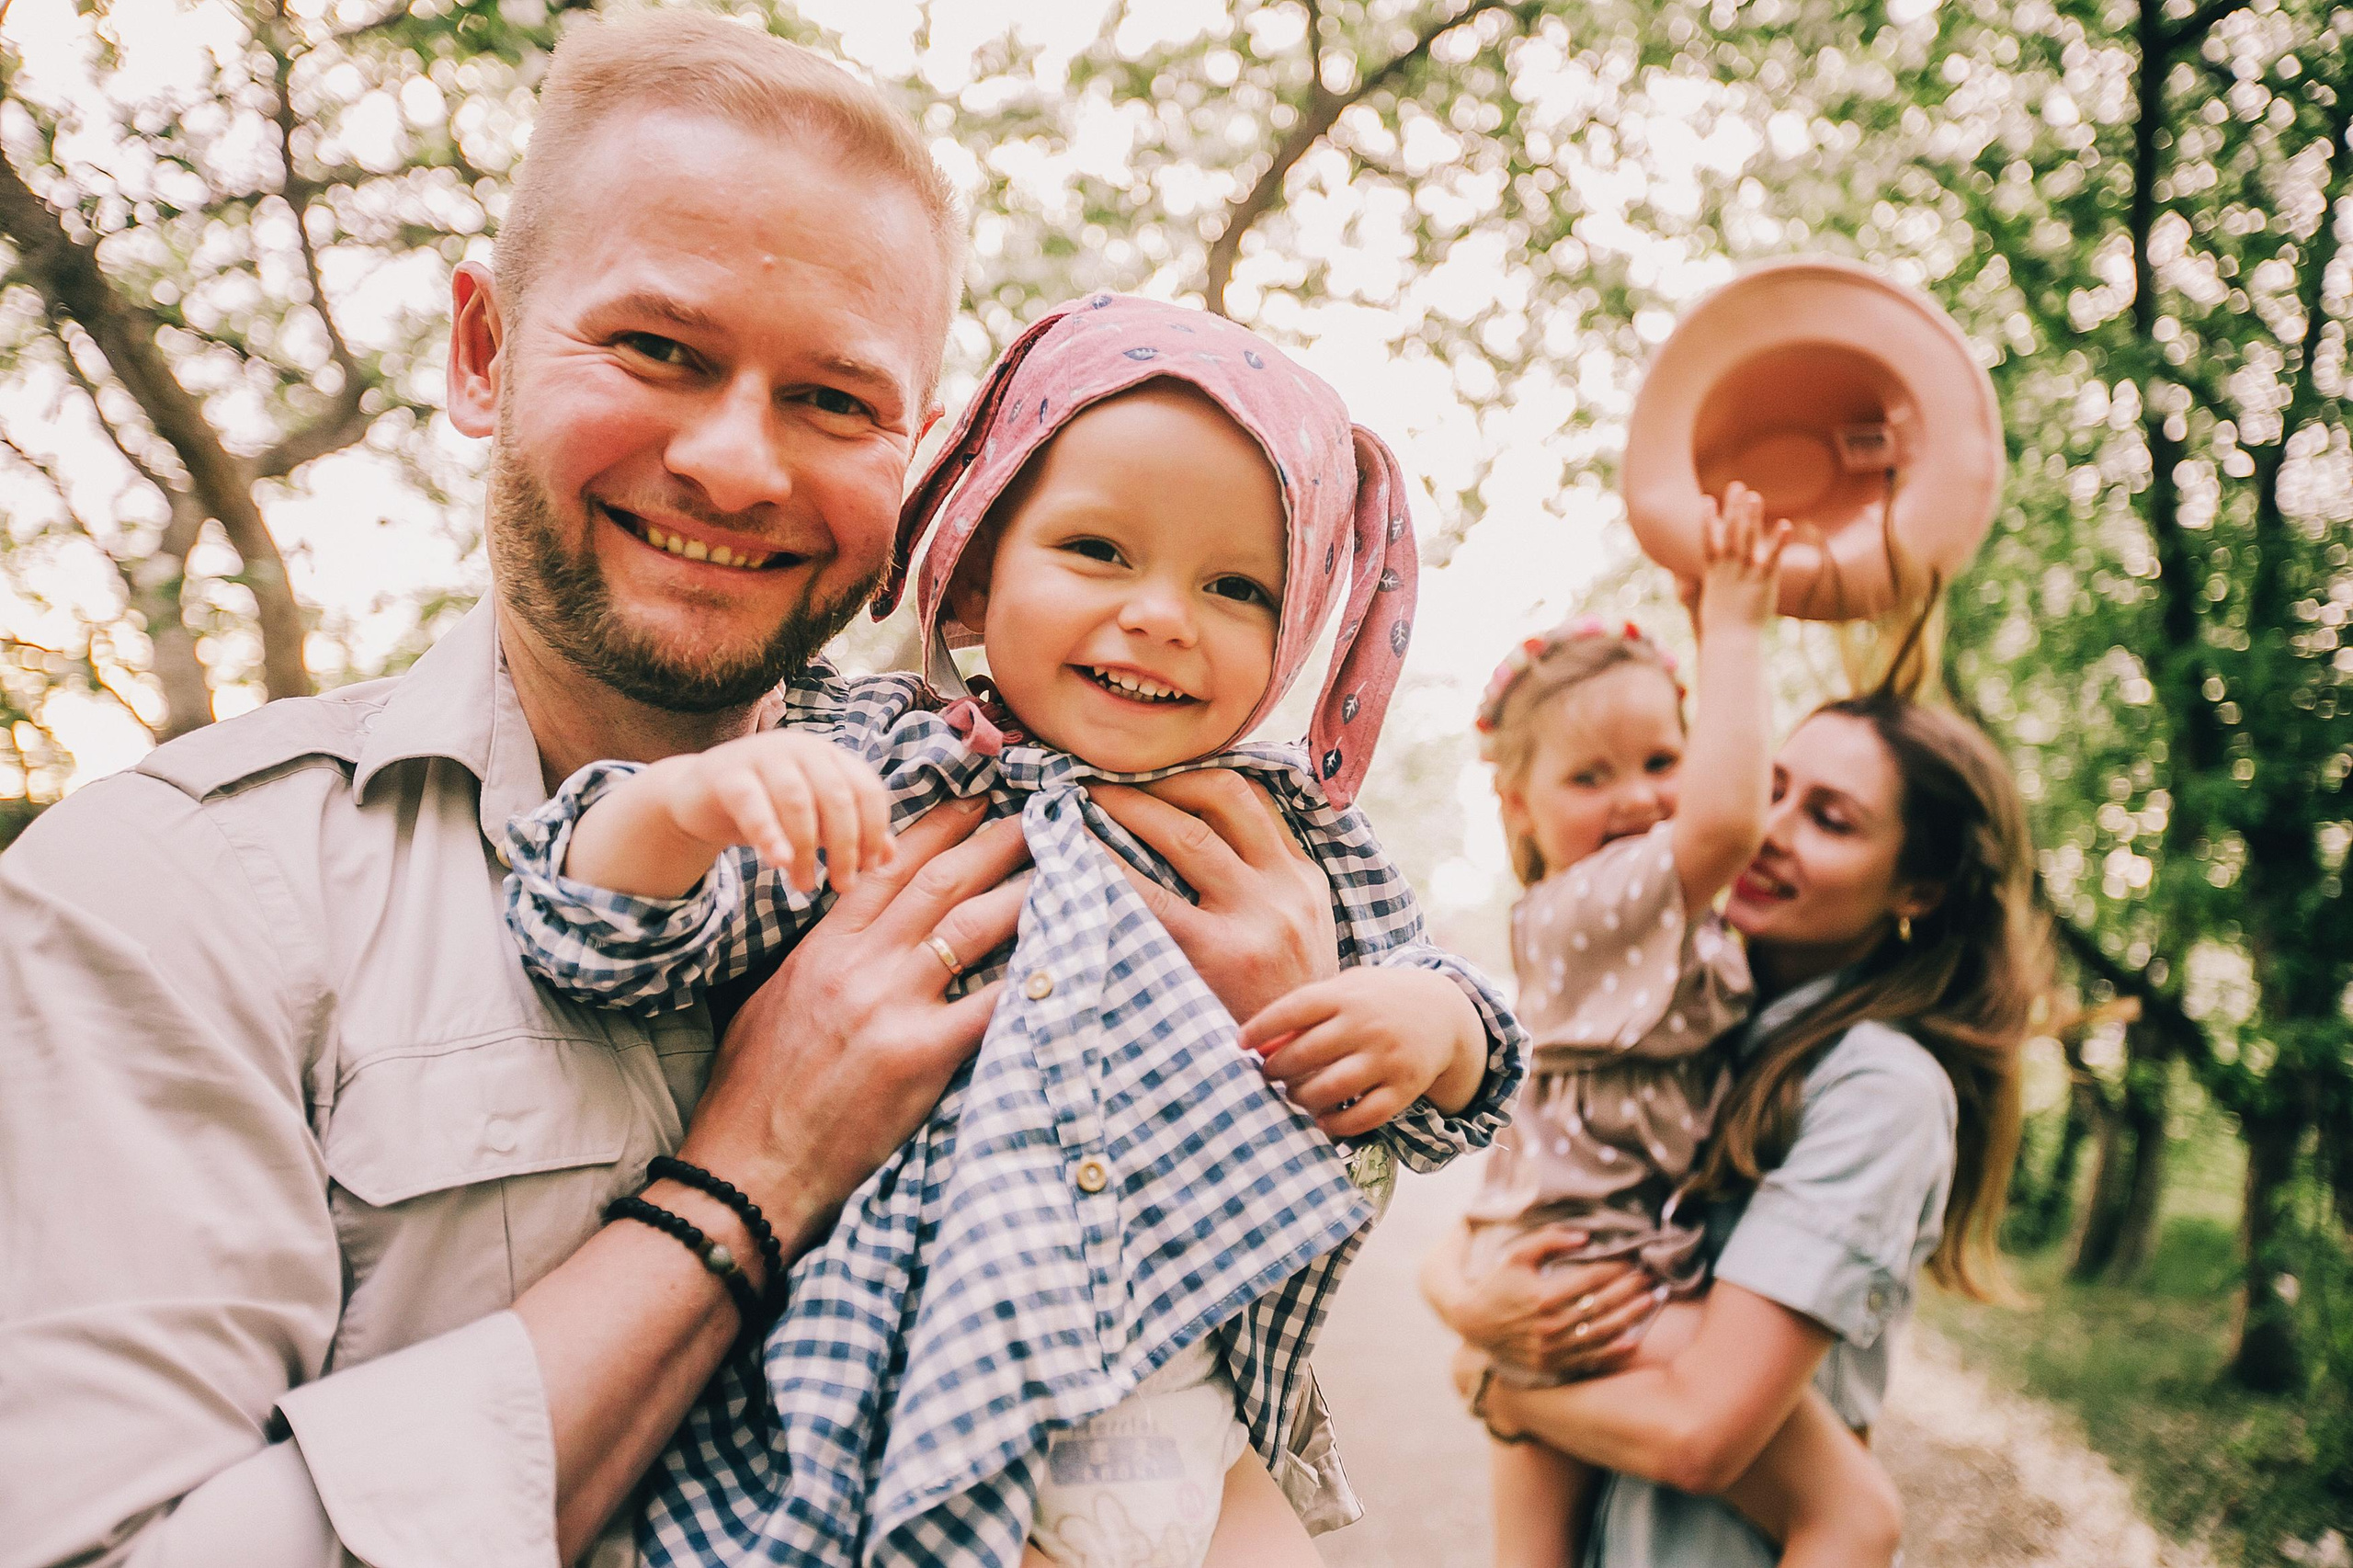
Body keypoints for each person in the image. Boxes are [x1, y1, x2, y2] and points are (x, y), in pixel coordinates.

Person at [0, 17, 1344, 1566]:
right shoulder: (172, 898)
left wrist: (1288, 1077)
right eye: (657, 350)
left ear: (925, 456)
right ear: (484, 350)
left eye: (837, 401)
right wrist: (754, 1170)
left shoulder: (1035, 827)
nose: (735, 465)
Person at [504, 293, 1523, 1568]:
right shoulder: (876, 764)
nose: (1162, 613)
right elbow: (597, 940)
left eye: (1237, 585)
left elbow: (1459, 1047)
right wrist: (681, 810)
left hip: (1195, 1416)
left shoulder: (1289, 835)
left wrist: (1432, 1029)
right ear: (980, 567)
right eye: (1100, 550)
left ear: (1300, 626)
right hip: (900, 1409)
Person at [1424, 680, 2049, 1567]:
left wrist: (1499, 1386)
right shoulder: (1691, 1007)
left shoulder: (1880, 1088)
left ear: (1917, 887)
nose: (1771, 827)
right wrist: (1453, 1291)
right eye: (1774, 786)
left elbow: (1698, 1433)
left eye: (1831, 820)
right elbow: (1535, 1204)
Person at [1456, 485, 1902, 1568]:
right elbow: (1725, 817)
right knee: (1850, 1515)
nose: (1641, 799)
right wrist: (1734, 624)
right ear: (1518, 806)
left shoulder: (1669, 925)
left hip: (1571, 1248)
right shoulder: (1589, 905)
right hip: (1590, 1264)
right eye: (1588, 774)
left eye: (1662, 761)